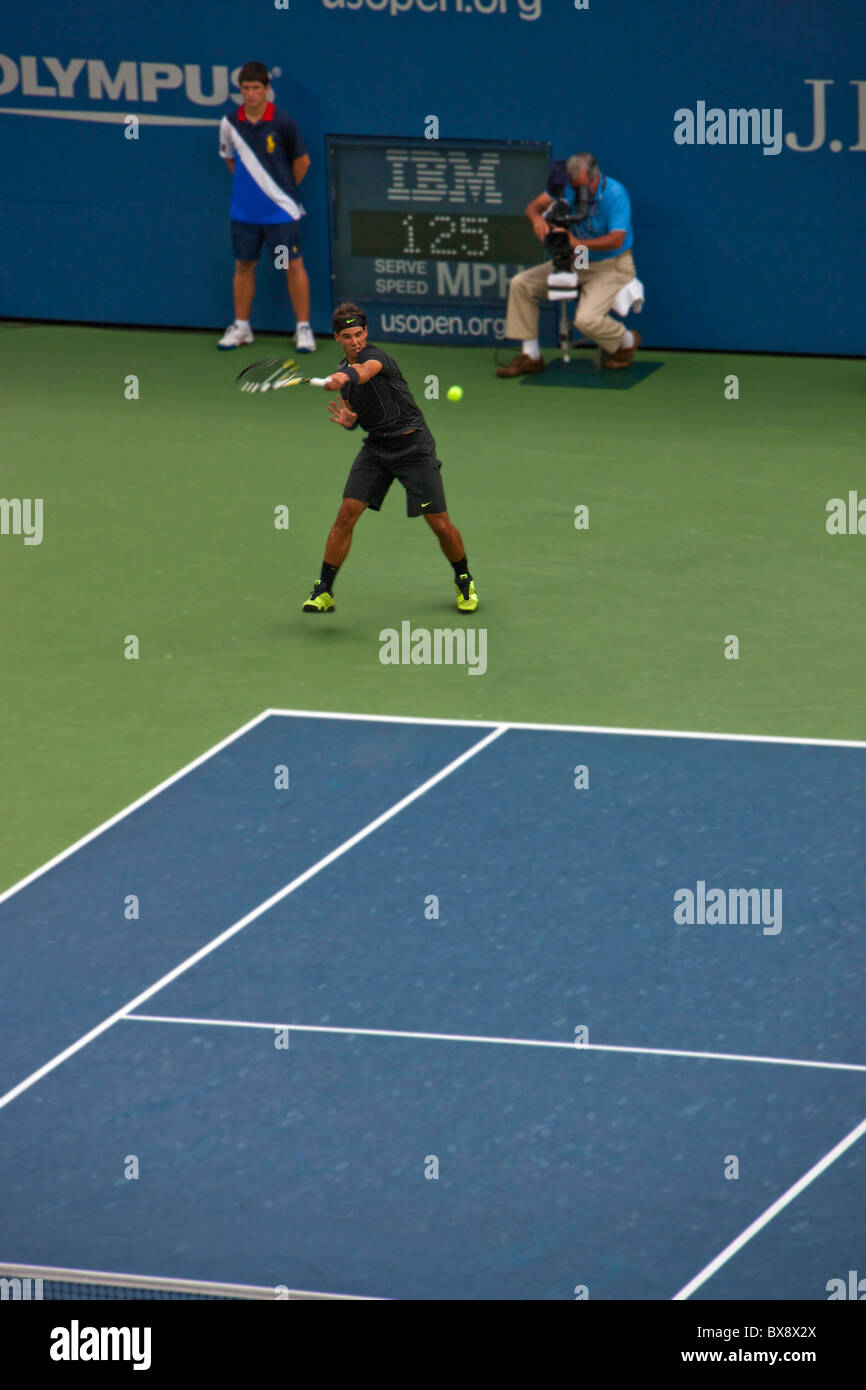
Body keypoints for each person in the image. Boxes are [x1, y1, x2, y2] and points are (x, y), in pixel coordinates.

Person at [302, 303, 478, 615]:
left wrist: (342, 378)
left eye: (359, 334)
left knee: (439, 523)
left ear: (366, 333)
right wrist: (350, 421)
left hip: (414, 449)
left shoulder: (375, 358)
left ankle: (464, 579)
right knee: (346, 514)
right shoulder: (346, 371)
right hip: (377, 451)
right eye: (347, 336)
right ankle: (323, 590)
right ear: (337, 337)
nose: (355, 341)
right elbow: (359, 411)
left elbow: (363, 372)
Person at [497, 152, 639, 376]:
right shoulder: (567, 187)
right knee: (521, 284)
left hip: (611, 264)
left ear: (594, 177)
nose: (578, 190)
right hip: (578, 258)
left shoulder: (615, 193)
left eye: (582, 185)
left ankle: (627, 340)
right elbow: (533, 208)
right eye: (574, 185)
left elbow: (617, 238)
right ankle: (531, 356)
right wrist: (537, 221)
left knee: (585, 320)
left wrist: (577, 242)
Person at [217, 62, 315, 353]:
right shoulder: (230, 123)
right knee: (244, 265)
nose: (250, 94)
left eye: (256, 88)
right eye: (245, 88)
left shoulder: (283, 122)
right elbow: (230, 158)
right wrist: (253, 189)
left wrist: (281, 192)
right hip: (244, 214)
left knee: (292, 265)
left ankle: (303, 329)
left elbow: (302, 162)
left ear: (266, 90)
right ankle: (242, 327)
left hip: (280, 213)